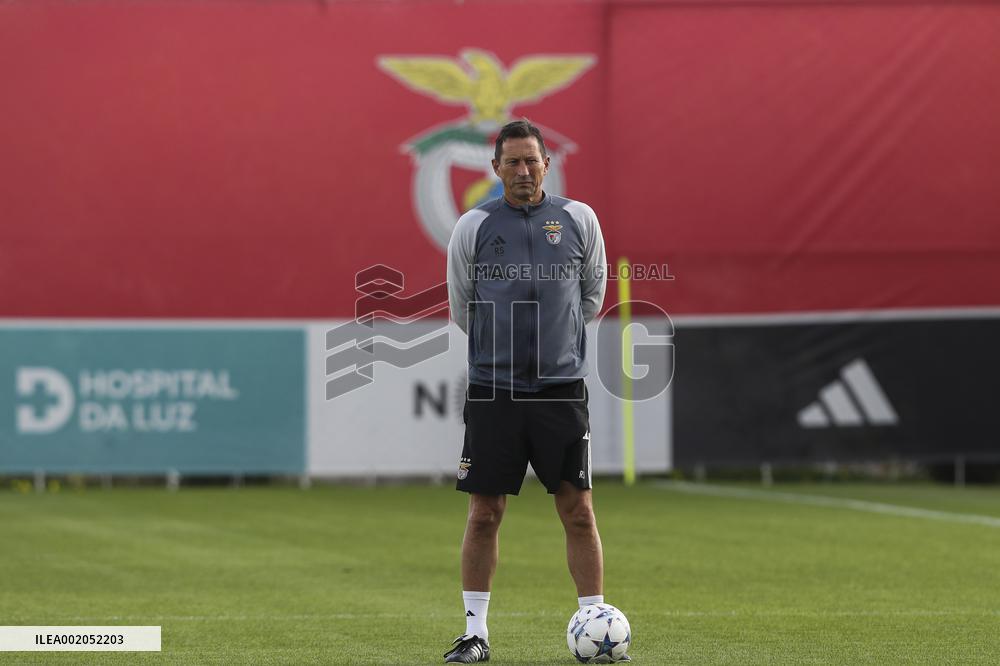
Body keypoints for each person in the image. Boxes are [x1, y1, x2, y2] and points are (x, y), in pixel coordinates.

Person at [444, 119, 625, 663]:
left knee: (578, 511)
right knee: (484, 513)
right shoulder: (472, 227)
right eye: (512, 162)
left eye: (532, 161)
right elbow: (461, 308)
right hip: (495, 391)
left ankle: (593, 619)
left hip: (559, 392)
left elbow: (591, 295)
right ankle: (476, 633)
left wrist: (558, 344)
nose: (523, 171)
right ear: (495, 168)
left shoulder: (578, 220)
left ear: (547, 164)